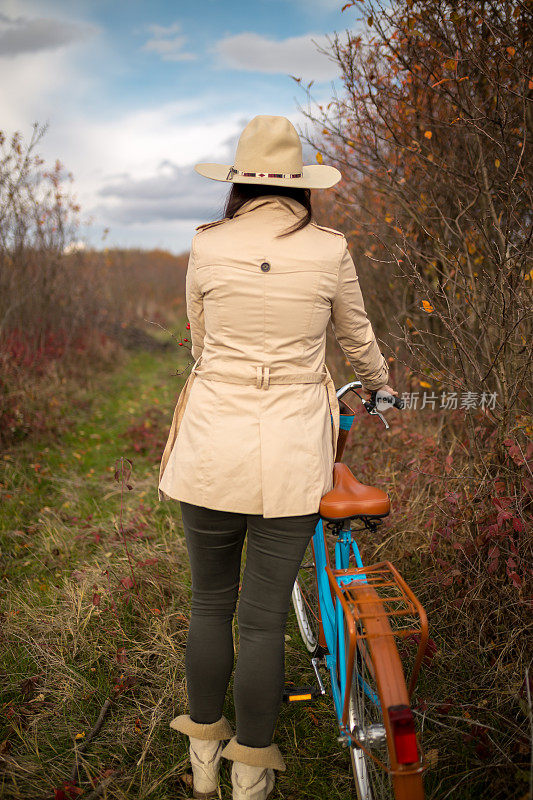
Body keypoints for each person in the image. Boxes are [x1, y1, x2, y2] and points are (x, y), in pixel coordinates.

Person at [158, 115, 397, 800]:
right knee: (261, 619)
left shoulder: (207, 245)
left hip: (211, 443)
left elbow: (201, 344)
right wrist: (379, 387)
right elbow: (357, 337)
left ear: (237, 182)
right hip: (292, 449)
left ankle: (203, 758)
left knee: (210, 605)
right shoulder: (328, 248)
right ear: (300, 186)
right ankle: (252, 771)